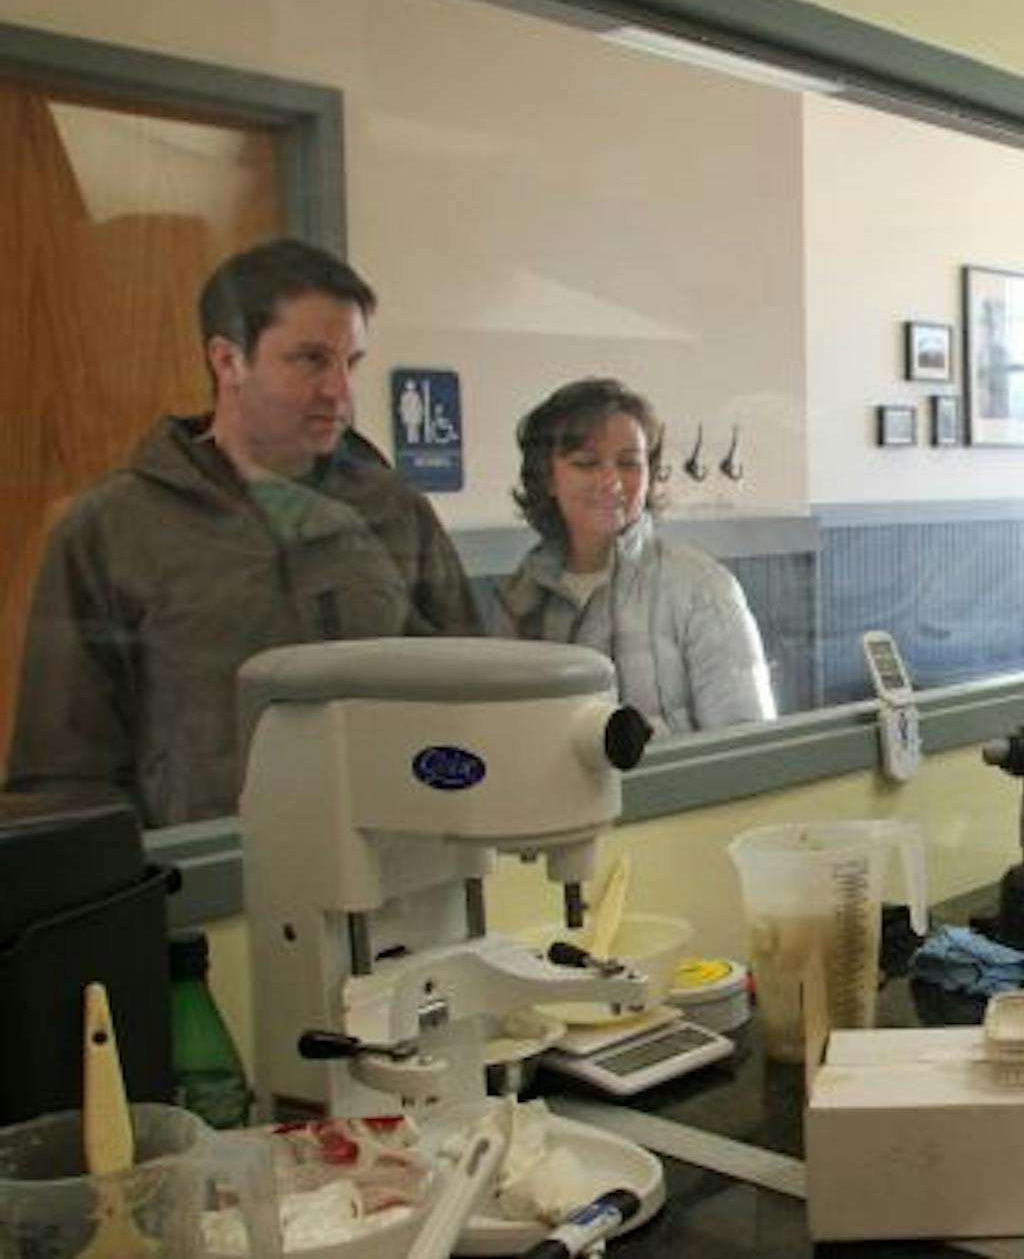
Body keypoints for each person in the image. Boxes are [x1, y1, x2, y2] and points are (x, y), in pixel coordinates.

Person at [5, 239, 482, 828]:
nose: (340, 392)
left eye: (349, 363)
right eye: (310, 360)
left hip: (401, 870)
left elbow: (473, 693)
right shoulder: (111, 528)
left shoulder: (394, 510)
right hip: (218, 884)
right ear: (228, 360)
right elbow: (64, 776)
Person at [494, 377, 775, 735]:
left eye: (629, 463)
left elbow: (747, 746)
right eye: (587, 463)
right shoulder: (523, 594)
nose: (611, 481)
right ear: (548, 478)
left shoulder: (702, 589)